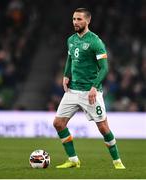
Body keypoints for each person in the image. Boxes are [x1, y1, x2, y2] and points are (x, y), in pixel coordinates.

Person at [53, 8, 125, 169]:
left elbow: (104, 68)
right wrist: (66, 75)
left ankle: (117, 161)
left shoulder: (95, 41)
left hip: (90, 92)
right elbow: (70, 58)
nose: (75, 22)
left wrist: (94, 87)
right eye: (73, 19)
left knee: (103, 127)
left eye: (79, 19)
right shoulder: (71, 40)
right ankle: (73, 160)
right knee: (58, 123)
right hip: (73, 90)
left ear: (88, 21)